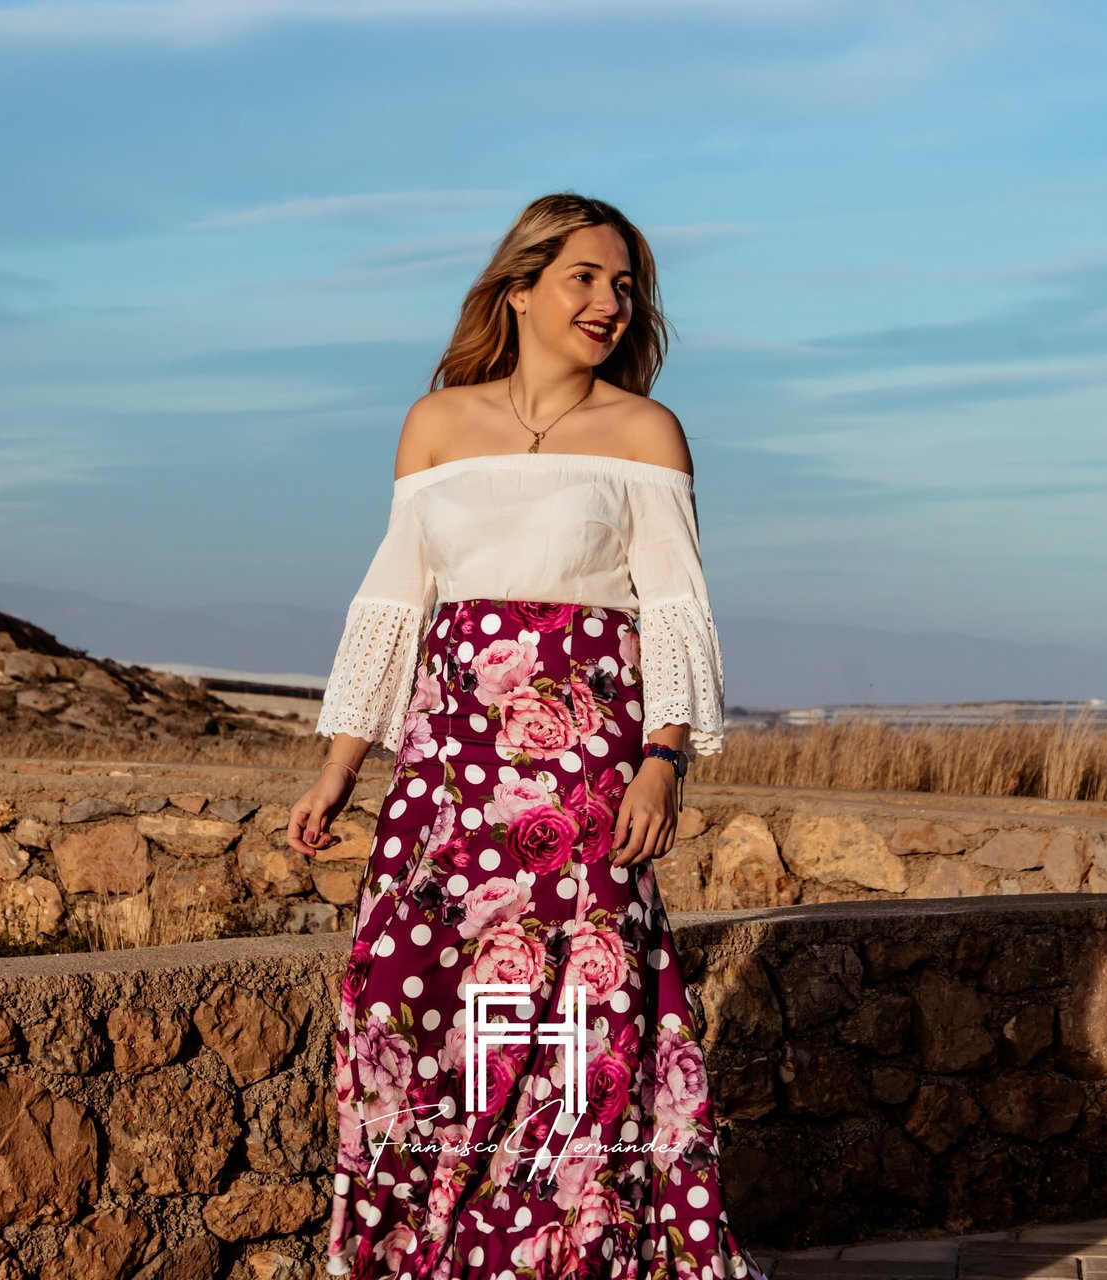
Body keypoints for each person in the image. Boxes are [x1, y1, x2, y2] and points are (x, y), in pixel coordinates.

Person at [289, 192, 763, 1280]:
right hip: (444, 783)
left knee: (574, 1037)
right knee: (400, 999)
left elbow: (677, 608)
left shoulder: (643, 432)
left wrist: (663, 759)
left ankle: (567, 1255)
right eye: (586, 277)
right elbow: (395, 605)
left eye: (626, 286)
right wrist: (338, 771)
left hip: (584, 785)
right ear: (521, 285)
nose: (609, 302)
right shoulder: (436, 423)